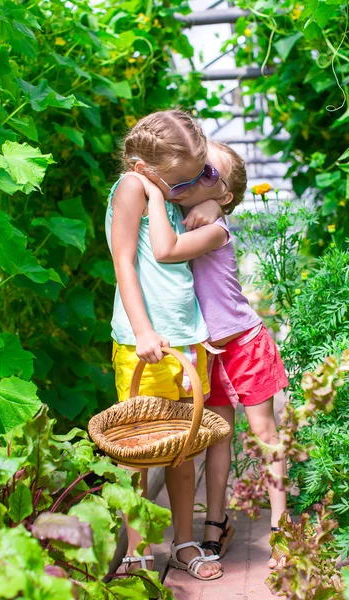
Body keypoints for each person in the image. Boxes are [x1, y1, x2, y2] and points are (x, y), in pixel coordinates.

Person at [137, 140, 289, 570]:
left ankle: (281, 523)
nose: (196, 176)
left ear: (224, 195)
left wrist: (215, 212)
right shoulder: (181, 215)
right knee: (216, 439)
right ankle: (215, 523)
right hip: (209, 348)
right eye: (195, 169)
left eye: (208, 174)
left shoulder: (216, 227)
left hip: (243, 341)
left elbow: (170, 249)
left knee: (264, 432)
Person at [105, 110, 225, 581]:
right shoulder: (134, 189)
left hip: (187, 338)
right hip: (148, 344)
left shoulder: (169, 189)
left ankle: (183, 540)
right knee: (141, 448)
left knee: (183, 446)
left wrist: (214, 202)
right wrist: (142, 330)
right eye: (180, 179)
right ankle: (136, 546)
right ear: (145, 168)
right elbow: (124, 262)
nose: (187, 185)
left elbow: (219, 187)